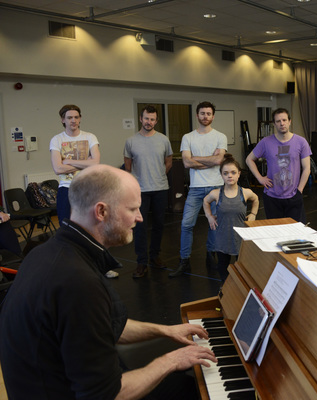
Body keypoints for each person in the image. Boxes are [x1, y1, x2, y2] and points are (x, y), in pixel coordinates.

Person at [0, 164, 216, 400]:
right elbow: (107, 394)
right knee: (193, 386)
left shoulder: (48, 252)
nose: (140, 217)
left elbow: (108, 324)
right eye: (133, 208)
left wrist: (166, 330)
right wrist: (171, 360)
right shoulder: (77, 283)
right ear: (101, 211)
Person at [50, 104, 117, 278]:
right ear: (63, 120)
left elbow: (95, 163)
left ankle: (101, 266)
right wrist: (84, 161)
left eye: (76, 117)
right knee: (66, 229)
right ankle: (69, 267)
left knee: (94, 227)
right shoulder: (56, 140)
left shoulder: (90, 137)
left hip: (88, 188)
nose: (73, 120)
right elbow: (57, 168)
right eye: (69, 117)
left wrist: (68, 162)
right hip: (66, 188)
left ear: (80, 118)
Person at [170, 101, 227, 277]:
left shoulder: (220, 136)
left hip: (216, 187)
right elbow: (186, 162)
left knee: (214, 224)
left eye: (208, 114)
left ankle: (210, 255)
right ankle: (184, 260)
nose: (205, 117)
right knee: (187, 224)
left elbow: (219, 161)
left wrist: (197, 159)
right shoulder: (188, 137)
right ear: (197, 115)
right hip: (195, 189)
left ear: (213, 116)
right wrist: (209, 160)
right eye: (202, 113)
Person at [124, 105, 173, 278]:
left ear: (156, 121)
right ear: (140, 118)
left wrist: (158, 176)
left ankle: (155, 256)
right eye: (146, 118)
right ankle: (141, 262)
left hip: (160, 188)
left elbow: (168, 162)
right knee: (140, 227)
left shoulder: (163, 140)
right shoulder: (131, 141)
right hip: (140, 191)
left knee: (159, 225)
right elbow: (128, 166)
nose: (149, 122)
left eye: (152, 119)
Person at [246, 108, 311, 223]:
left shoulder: (301, 142)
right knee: (275, 232)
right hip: (272, 197)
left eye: (284, 120)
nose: (282, 123)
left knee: (296, 232)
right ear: (274, 124)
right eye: (278, 121)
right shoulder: (266, 142)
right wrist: (260, 178)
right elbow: (249, 160)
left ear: (289, 121)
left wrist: (299, 190)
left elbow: (307, 169)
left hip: (294, 196)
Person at [203, 154, 259, 282]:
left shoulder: (245, 192)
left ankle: (241, 290)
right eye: (226, 173)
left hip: (240, 238)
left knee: (242, 269)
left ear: (239, 174)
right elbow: (205, 201)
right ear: (221, 175)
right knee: (223, 269)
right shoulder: (217, 193)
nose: (230, 176)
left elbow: (255, 199)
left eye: (233, 172)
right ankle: (226, 290)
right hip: (222, 239)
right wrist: (209, 216)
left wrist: (253, 214)